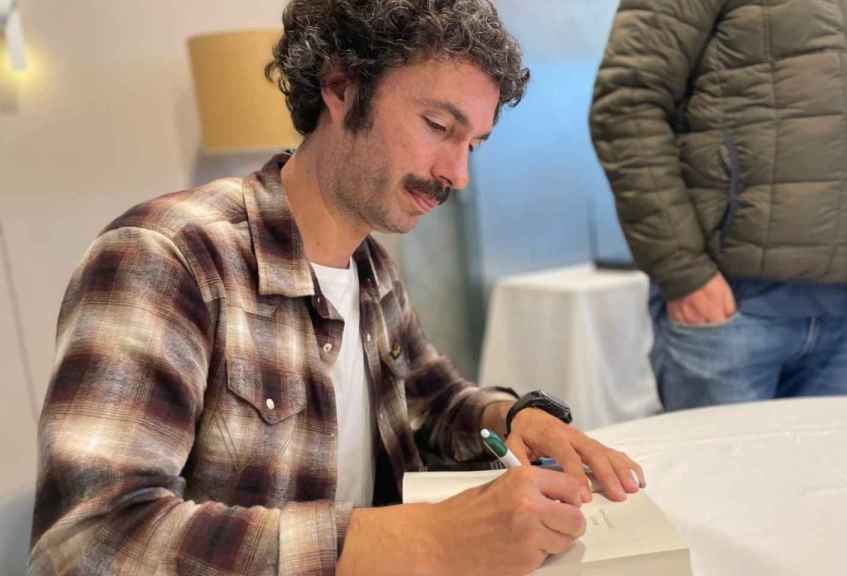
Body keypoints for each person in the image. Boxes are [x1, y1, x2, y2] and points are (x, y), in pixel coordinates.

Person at [29, 1, 645, 574]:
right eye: (438, 125)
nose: (456, 173)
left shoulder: (370, 269)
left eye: (473, 145)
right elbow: (88, 542)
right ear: (342, 87)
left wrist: (515, 416)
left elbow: (434, 401)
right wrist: (427, 539)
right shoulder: (166, 258)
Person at [589, 0, 847, 411]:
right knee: (721, 476)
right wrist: (683, 271)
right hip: (734, 307)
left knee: (831, 476)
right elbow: (626, 105)